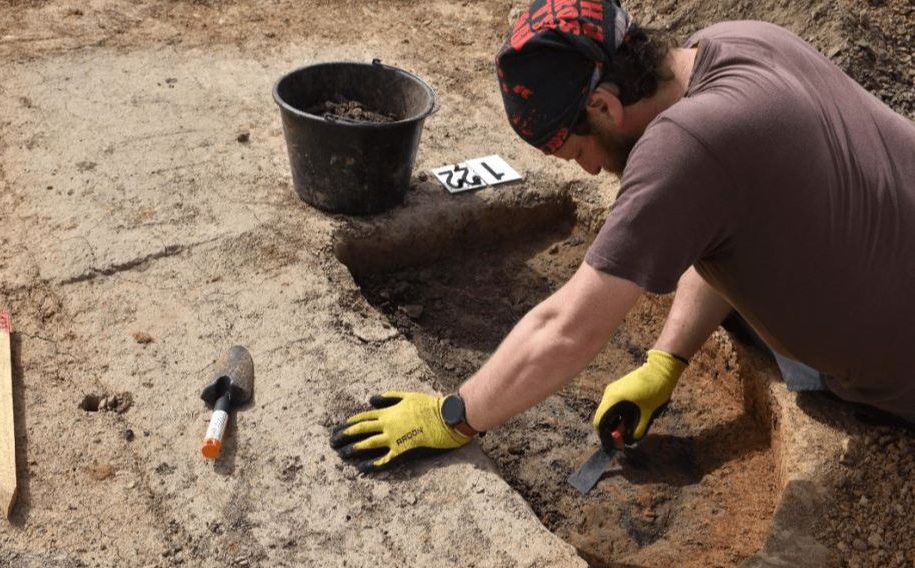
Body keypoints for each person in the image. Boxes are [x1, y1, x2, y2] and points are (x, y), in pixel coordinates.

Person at [330, 0, 915, 472]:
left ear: (604, 105)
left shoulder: (684, 148)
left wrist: (454, 414)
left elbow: (567, 328)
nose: (587, 170)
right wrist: (665, 361)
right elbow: (724, 229)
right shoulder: (739, 40)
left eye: (576, 149)